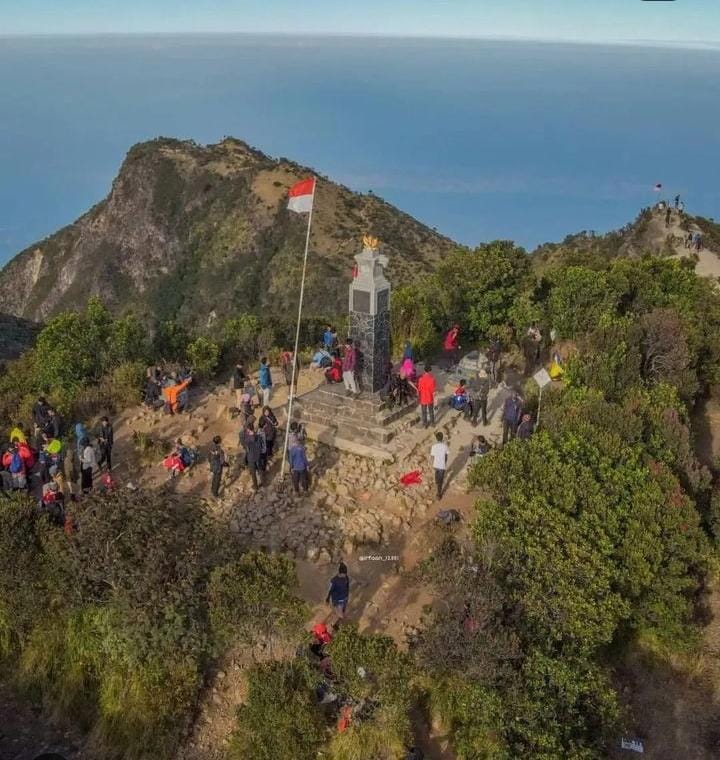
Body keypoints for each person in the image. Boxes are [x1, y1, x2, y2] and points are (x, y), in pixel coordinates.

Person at [240, 419, 263, 490]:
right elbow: (260, 446)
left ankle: (255, 486)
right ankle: (262, 481)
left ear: (248, 430)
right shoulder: (258, 436)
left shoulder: (247, 439)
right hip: (258, 456)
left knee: (253, 472)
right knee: (259, 468)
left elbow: (244, 445)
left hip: (251, 457)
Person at [430, 431, 449, 499]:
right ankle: (438, 494)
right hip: (442, 465)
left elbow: (432, 456)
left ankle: (436, 482)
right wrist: (445, 462)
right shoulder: (445, 446)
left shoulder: (433, 446)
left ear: (436, 438)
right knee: (441, 480)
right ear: (442, 438)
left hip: (436, 464)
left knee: (436, 473)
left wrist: (433, 463)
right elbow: (446, 456)